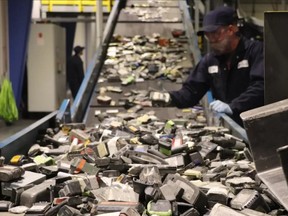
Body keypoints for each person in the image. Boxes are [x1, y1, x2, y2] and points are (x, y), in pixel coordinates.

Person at [150, 6, 264, 126]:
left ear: (231, 29)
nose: (212, 40)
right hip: (230, 125)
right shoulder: (210, 61)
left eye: (215, 34)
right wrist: (168, 98)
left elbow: (261, 87)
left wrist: (233, 106)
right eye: (207, 35)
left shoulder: (256, 51)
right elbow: (191, 92)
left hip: (257, 125)